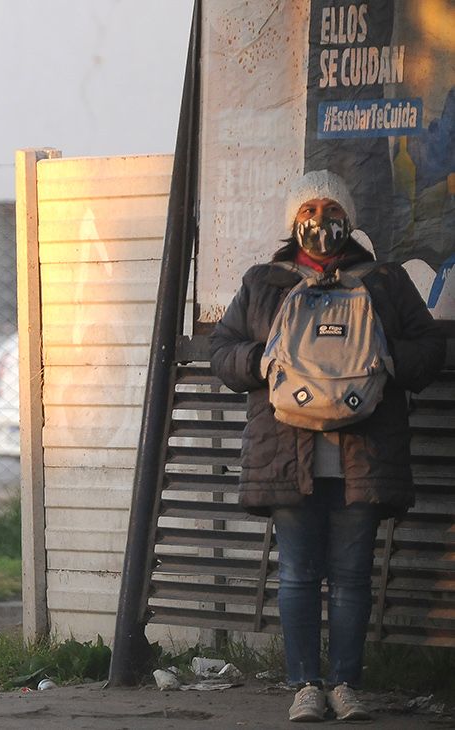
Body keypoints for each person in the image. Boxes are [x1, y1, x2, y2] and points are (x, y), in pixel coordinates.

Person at [210, 170, 445, 723]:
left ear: (351, 217)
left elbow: (429, 348)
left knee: (350, 574)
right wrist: (258, 363)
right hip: (286, 453)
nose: (321, 219)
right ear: (293, 219)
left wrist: (391, 364)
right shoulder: (265, 281)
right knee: (296, 573)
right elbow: (224, 348)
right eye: (310, 208)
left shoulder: (383, 280)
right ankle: (305, 685)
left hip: (362, 457)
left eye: (332, 207)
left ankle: (345, 684)